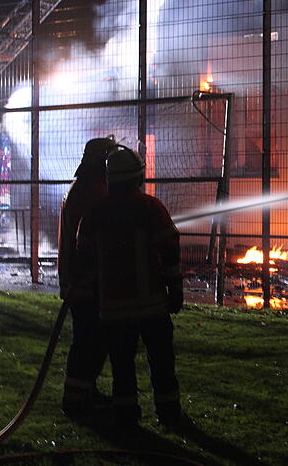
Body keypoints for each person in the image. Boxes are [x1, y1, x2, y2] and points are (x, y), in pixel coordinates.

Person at [78, 146, 185, 426]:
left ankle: (125, 415)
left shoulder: (95, 213)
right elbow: (170, 251)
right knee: (161, 361)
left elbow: (85, 258)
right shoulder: (151, 207)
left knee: (122, 365)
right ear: (137, 177)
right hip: (152, 305)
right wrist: (175, 289)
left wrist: (92, 295)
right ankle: (169, 413)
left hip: (113, 309)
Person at [58, 136, 115, 418]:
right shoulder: (92, 191)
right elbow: (91, 241)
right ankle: (76, 399)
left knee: (90, 338)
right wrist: (90, 278)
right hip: (85, 281)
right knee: (87, 340)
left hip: (80, 279)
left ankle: (84, 391)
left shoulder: (82, 187)